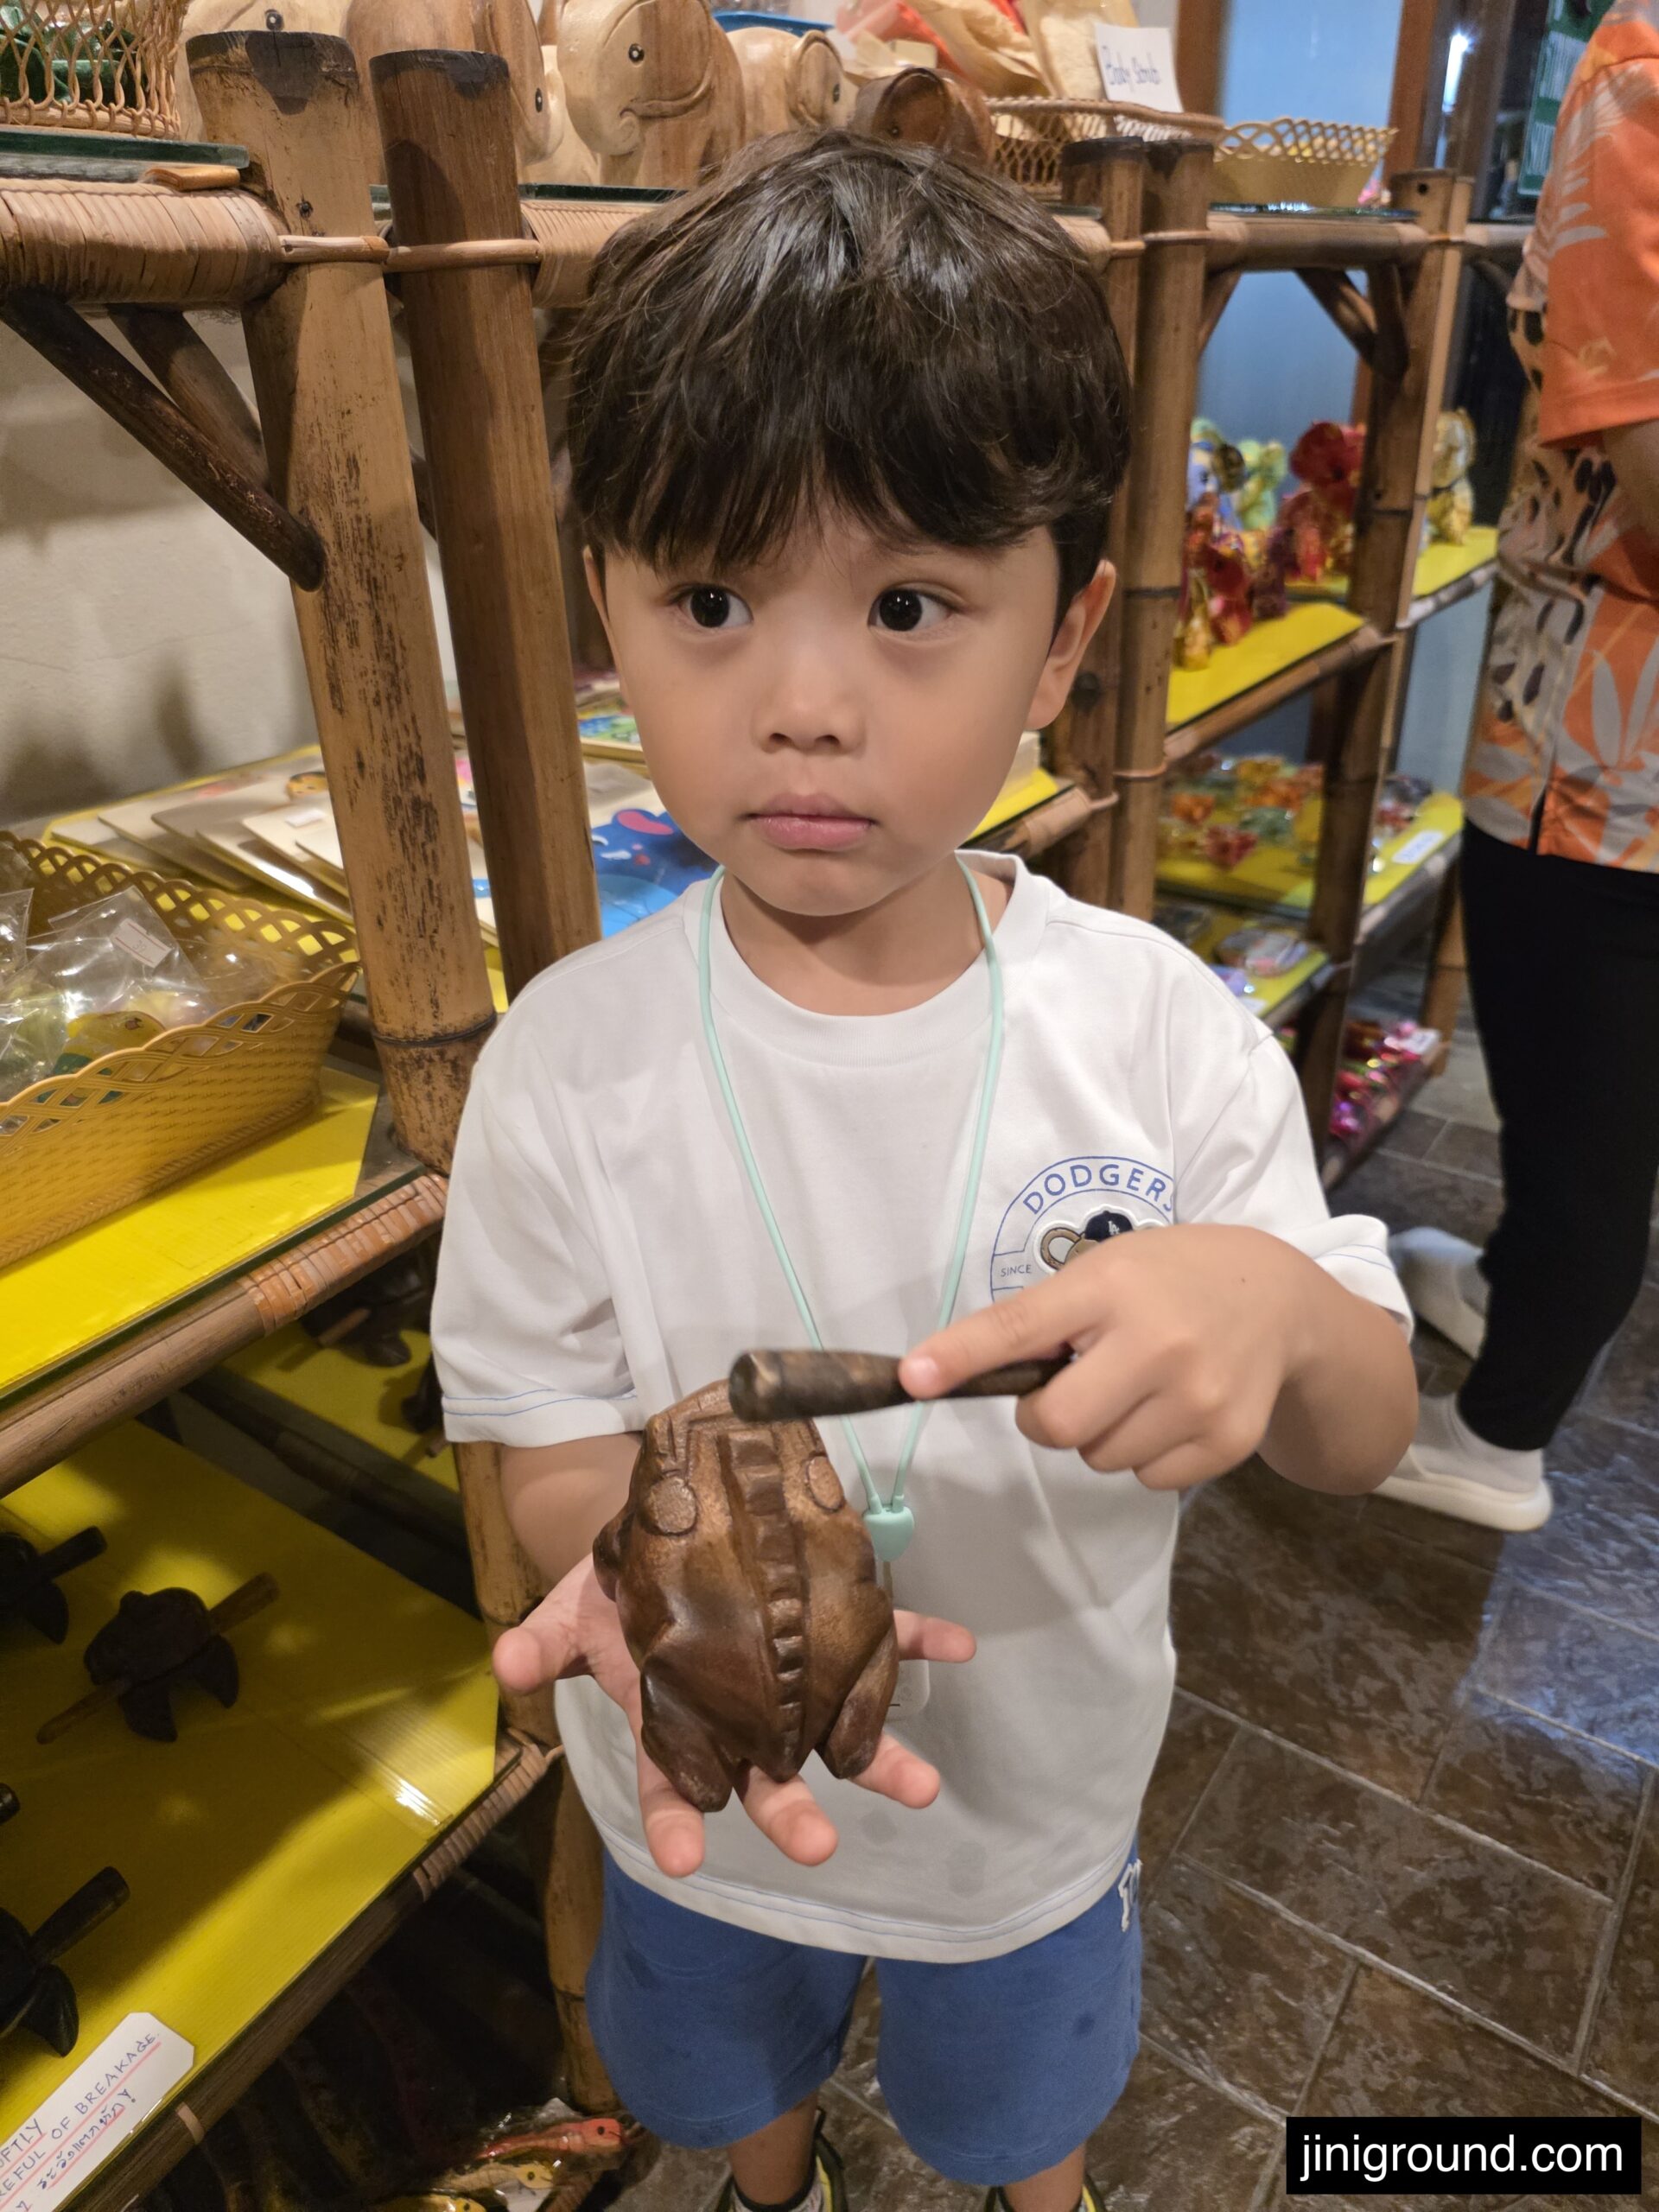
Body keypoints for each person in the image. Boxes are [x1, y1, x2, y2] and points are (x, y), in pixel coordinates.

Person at [431, 135, 1417, 2212]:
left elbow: (1359, 1423)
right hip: (690, 1777)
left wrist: (1279, 1304)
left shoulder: (1150, 1032)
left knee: (1012, 2131)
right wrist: (634, 1561)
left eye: (908, 606)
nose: (800, 703)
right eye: (709, 599)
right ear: (608, 612)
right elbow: (536, 1440)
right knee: (723, 2100)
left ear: (1057, 650)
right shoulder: (564, 1067)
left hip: (1030, 1820)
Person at [1385, 0, 1659, 1534]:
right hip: (1594, 718)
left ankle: (1499, 1439)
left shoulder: (1645, 64)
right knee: (1584, 1078)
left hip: (1612, 734)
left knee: (1586, 1094)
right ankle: (1500, 1291)